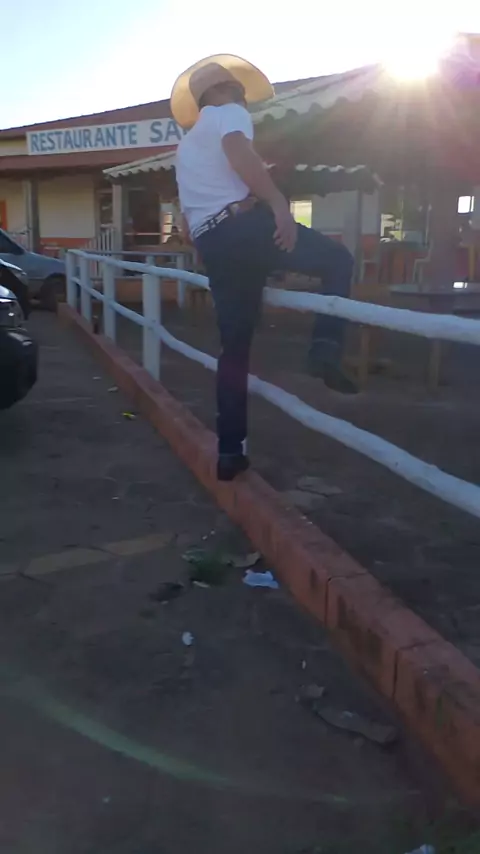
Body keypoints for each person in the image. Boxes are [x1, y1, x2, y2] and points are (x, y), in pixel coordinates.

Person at [171, 55, 357, 482]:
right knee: (337, 261)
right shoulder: (228, 114)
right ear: (224, 91)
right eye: (238, 89)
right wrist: (277, 203)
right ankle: (325, 349)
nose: (243, 97)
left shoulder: (186, 147)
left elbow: (187, 218)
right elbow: (239, 153)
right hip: (245, 229)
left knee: (234, 350)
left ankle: (230, 452)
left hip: (213, 242)